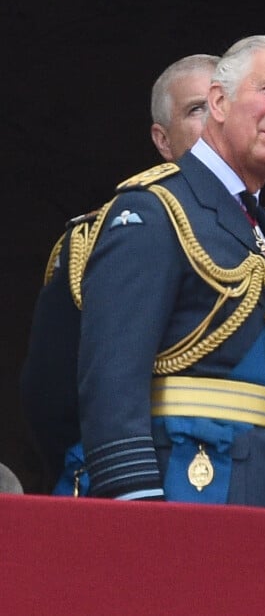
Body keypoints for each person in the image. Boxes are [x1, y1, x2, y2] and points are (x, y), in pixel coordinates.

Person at [31, 34, 265, 508]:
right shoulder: (155, 210)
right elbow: (111, 382)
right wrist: (136, 503)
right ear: (219, 102)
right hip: (186, 490)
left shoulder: (260, 226)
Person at [20, 53, 219, 489]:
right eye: (195, 109)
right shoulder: (106, 233)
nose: (212, 121)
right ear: (162, 140)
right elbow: (49, 397)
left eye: (220, 105)